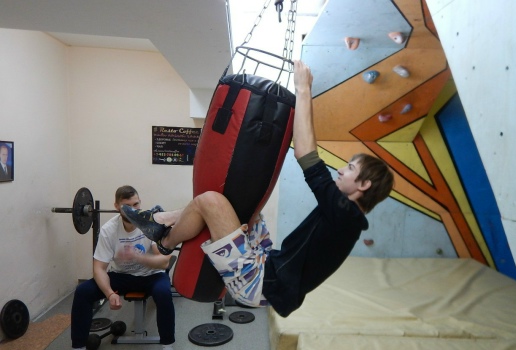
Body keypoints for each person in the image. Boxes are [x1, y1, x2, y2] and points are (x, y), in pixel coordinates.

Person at [122, 60, 394, 318]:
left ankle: (165, 241)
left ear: (364, 184)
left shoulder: (345, 214)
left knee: (211, 201)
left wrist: (303, 89)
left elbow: (306, 154)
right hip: (267, 262)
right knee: (243, 205)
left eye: (350, 168)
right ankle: (160, 221)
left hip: (259, 282)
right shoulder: (346, 218)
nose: (341, 170)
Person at [48, 186, 182, 350]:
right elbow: (99, 268)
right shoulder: (108, 230)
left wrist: (138, 257)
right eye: (127, 206)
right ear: (117, 206)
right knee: (83, 291)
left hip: (151, 275)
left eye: (136, 204)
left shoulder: (150, 224)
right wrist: (110, 293)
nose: (133, 210)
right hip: (122, 276)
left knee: (164, 293)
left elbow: (163, 262)